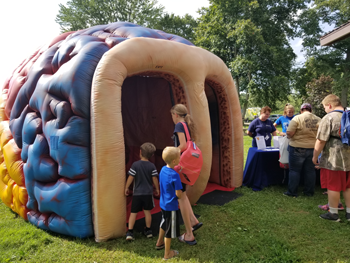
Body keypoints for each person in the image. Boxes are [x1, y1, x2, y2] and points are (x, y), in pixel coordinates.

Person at [312, 94, 350, 221]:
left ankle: (333, 213)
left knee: (333, 185)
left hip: (334, 157)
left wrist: (315, 156)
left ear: (330, 105)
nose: (325, 110)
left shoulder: (329, 117)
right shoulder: (348, 114)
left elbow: (321, 140)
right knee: (348, 185)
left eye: (324, 107)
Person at [170, 104, 202, 245]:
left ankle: (189, 234)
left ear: (175, 114)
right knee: (182, 194)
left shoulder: (178, 126)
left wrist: (171, 153)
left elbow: (182, 145)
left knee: (180, 197)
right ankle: (194, 221)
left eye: (171, 115)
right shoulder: (186, 125)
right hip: (186, 164)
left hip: (180, 164)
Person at [284, 103, 321, 197]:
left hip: (297, 147)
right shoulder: (318, 119)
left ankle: (292, 192)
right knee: (310, 170)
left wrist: (289, 136)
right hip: (313, 148)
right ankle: (309, 192)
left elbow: (290, 132)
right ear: (311, 110)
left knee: (294, 170)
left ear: (301, 110)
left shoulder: (297, 118)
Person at [125, 142, 159, 240]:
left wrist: (126, 187)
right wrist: (157, 189)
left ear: (140, 152)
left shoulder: (135, 165)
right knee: (147, 212)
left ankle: (130, 232)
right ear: (152, 155)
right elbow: (155, 179)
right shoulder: (152, 166)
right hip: (148, 194)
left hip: (137, 194)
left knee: (133, 212)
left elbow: (131, 177)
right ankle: (148, 231)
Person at [155, 147, 182, 260]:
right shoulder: (175, 176)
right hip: (171, 206)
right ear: (175, 161)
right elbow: (179, 194)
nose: (181, 157)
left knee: (164, 223)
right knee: (169, 231)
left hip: (163, 204)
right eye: (179, 156)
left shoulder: (162, 169)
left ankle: (159, 242)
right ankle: (167, 254)